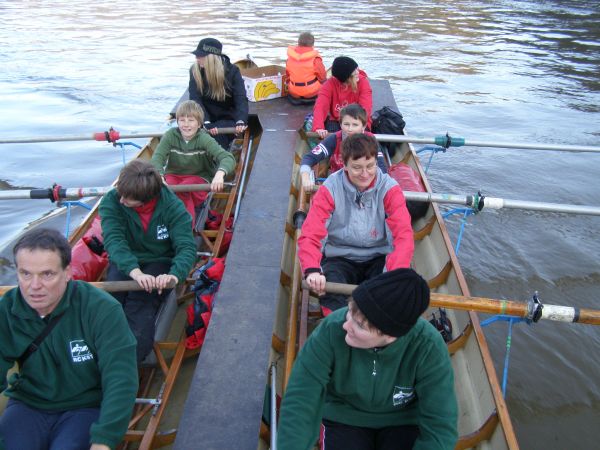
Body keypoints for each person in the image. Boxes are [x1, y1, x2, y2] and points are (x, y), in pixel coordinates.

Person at [277, 268, 459, 450]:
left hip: (403, 421)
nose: (346, 325)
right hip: (343, 417)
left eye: (360, 325)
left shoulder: (429, 346)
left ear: (390, 336)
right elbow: (301, 400)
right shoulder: (331, 329)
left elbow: (440, 424)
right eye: (350, 311)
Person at [0, 228, 138, 450]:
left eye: (47, 274)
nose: (34, 286)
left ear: (67, 273)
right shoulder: (6, 310)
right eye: (26, 274)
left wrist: (104, 439)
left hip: (84, 406)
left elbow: (120, 378)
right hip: (28, 404)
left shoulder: (101, 309)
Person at [298, 133, 414, 315]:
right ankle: (342, 328)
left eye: (370, 166)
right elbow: (311, 234)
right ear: (344, 165)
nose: (365, 174)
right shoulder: (330, 188)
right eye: (357, 168)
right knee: (331, 295)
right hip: (339, 258)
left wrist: (395, 274)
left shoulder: (390, 189)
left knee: (389, 297)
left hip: (378, 257)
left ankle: (374, 332)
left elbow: (403, 236)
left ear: (377, 162)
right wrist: (312, 270)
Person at [99, 160, 196, 363]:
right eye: (121, 194)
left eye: (129, 199)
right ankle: (98, 354)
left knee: (141, 303)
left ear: (147, 199)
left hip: (159, 260)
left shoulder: (172, 206)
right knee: (109, 303)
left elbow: (186, 247)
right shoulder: (113, 200)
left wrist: (174, 275)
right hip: (125, 260)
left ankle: (127, 361)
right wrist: (135, 272)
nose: (122, 200)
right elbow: (114, 241)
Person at [151, 100, 236, 220]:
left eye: (191, 120)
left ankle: (184, 228)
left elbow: (227, 157)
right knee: (163, 192)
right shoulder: (170, 136)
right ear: (177, 122)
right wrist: (159, 176)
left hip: (199, 178)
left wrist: (219, 174)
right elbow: (157, 159)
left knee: (183, 191)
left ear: (199, 123)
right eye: (182, 120)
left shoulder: (204, 139)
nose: (186, 125)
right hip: (174, 176)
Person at [300, 103, 386, 191]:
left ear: (363, 126)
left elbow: (381, 167)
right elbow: (309, 158)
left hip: (364, 185)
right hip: (339, 186)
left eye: (355, 125)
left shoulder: (370, 140)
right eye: (346, 124)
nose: (350, 129)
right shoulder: (334, 139)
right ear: (340, 124)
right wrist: (305, 176)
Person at [189, 37, 249, 150]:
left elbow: (240, 98)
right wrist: (205, 120)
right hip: (205, 116)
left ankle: (218, 159)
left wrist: (241, 120)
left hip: (228, 118)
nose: (197, 58)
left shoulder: (233, 72)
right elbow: (195, 99)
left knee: (218, 138)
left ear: (212, 58)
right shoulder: (194, 71)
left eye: (200, 55)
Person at [312, 56, 373, 138]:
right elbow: (320, 106)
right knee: (333, 140)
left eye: (357, 69)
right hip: (337, 120)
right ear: (346, 78)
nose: (358, 73)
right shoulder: (329, 84)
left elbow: (366, 107)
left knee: (360, 141)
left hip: (359, 119)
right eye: (354, 73)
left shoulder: (363, 82)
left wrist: (360, 125)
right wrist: (318, 127)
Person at [286, 32, 327, 105]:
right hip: (311, 93)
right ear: (312, 44)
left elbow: (288, 76)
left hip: (294, 92)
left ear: (298, 42)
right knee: (325, 82)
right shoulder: (315, 59)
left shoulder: (290, 58)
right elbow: (322, 77)